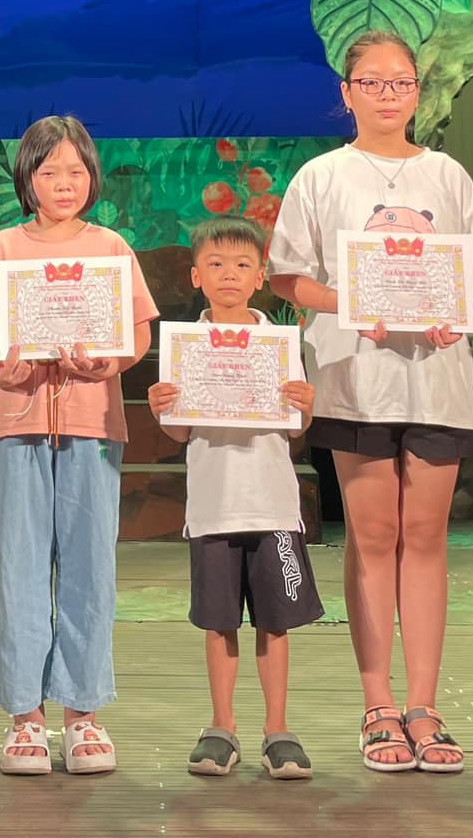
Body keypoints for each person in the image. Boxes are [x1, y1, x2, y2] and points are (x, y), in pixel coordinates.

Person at [267, 29, 473, 774]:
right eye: (372, 82)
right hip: (354, 378)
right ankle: (377, 705)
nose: (388, 95)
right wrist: (350, 302)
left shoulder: (447, 174)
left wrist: (453, 308)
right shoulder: (321, 176)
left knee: (425, 537)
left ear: (417, 93)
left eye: (401, 82)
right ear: (347, 92)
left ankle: (424, 706)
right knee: (372, 536)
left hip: (435, 379)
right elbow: (287, 276)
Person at [0, 115, 158, 775]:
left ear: (92, 175)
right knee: (20, 566)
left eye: (75, 171)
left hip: (94, 424)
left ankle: (83, 713)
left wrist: (110, 362)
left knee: (91, 566)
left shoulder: (112, 248)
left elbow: (138, 331)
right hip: (17, 425)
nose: (64, 183)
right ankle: (25, 717)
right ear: (27, 178)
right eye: (49, 171)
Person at [149, 216, 320, 781]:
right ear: (196, 275)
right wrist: (161, 407)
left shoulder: (278, 344)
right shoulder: (184, 346)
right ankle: (222, 727)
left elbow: (295, 428)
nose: (229, 274)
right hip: (213, 507)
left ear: (260, 277)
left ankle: (279, 730)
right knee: (218, 622)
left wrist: (305, 406)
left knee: (276, 622)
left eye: (243, 264)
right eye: (216, 264)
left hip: (273, 506)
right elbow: (179, 432)